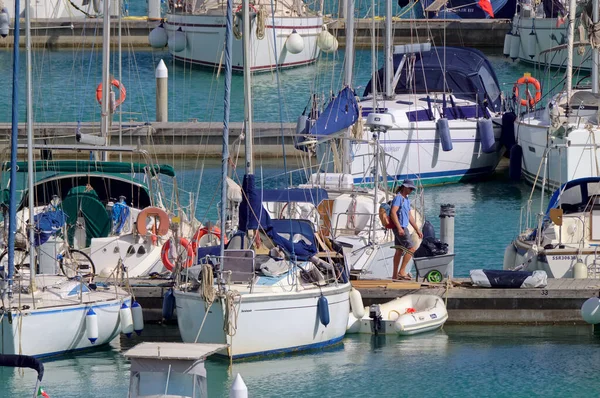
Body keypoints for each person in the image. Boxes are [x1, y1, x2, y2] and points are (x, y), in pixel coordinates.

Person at [390, 179, 423, 280]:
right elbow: (393, 212)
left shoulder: (406, 199)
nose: (411, 190)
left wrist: (417, 229)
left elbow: (409, 216)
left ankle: (395, 275)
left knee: (399, 251)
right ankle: (402, 271)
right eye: (410, 188)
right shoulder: (398, 198)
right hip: (400, 228)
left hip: (402, 227)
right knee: (411, 249)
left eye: (412, 189)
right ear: (404, 187)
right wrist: (399, 227)